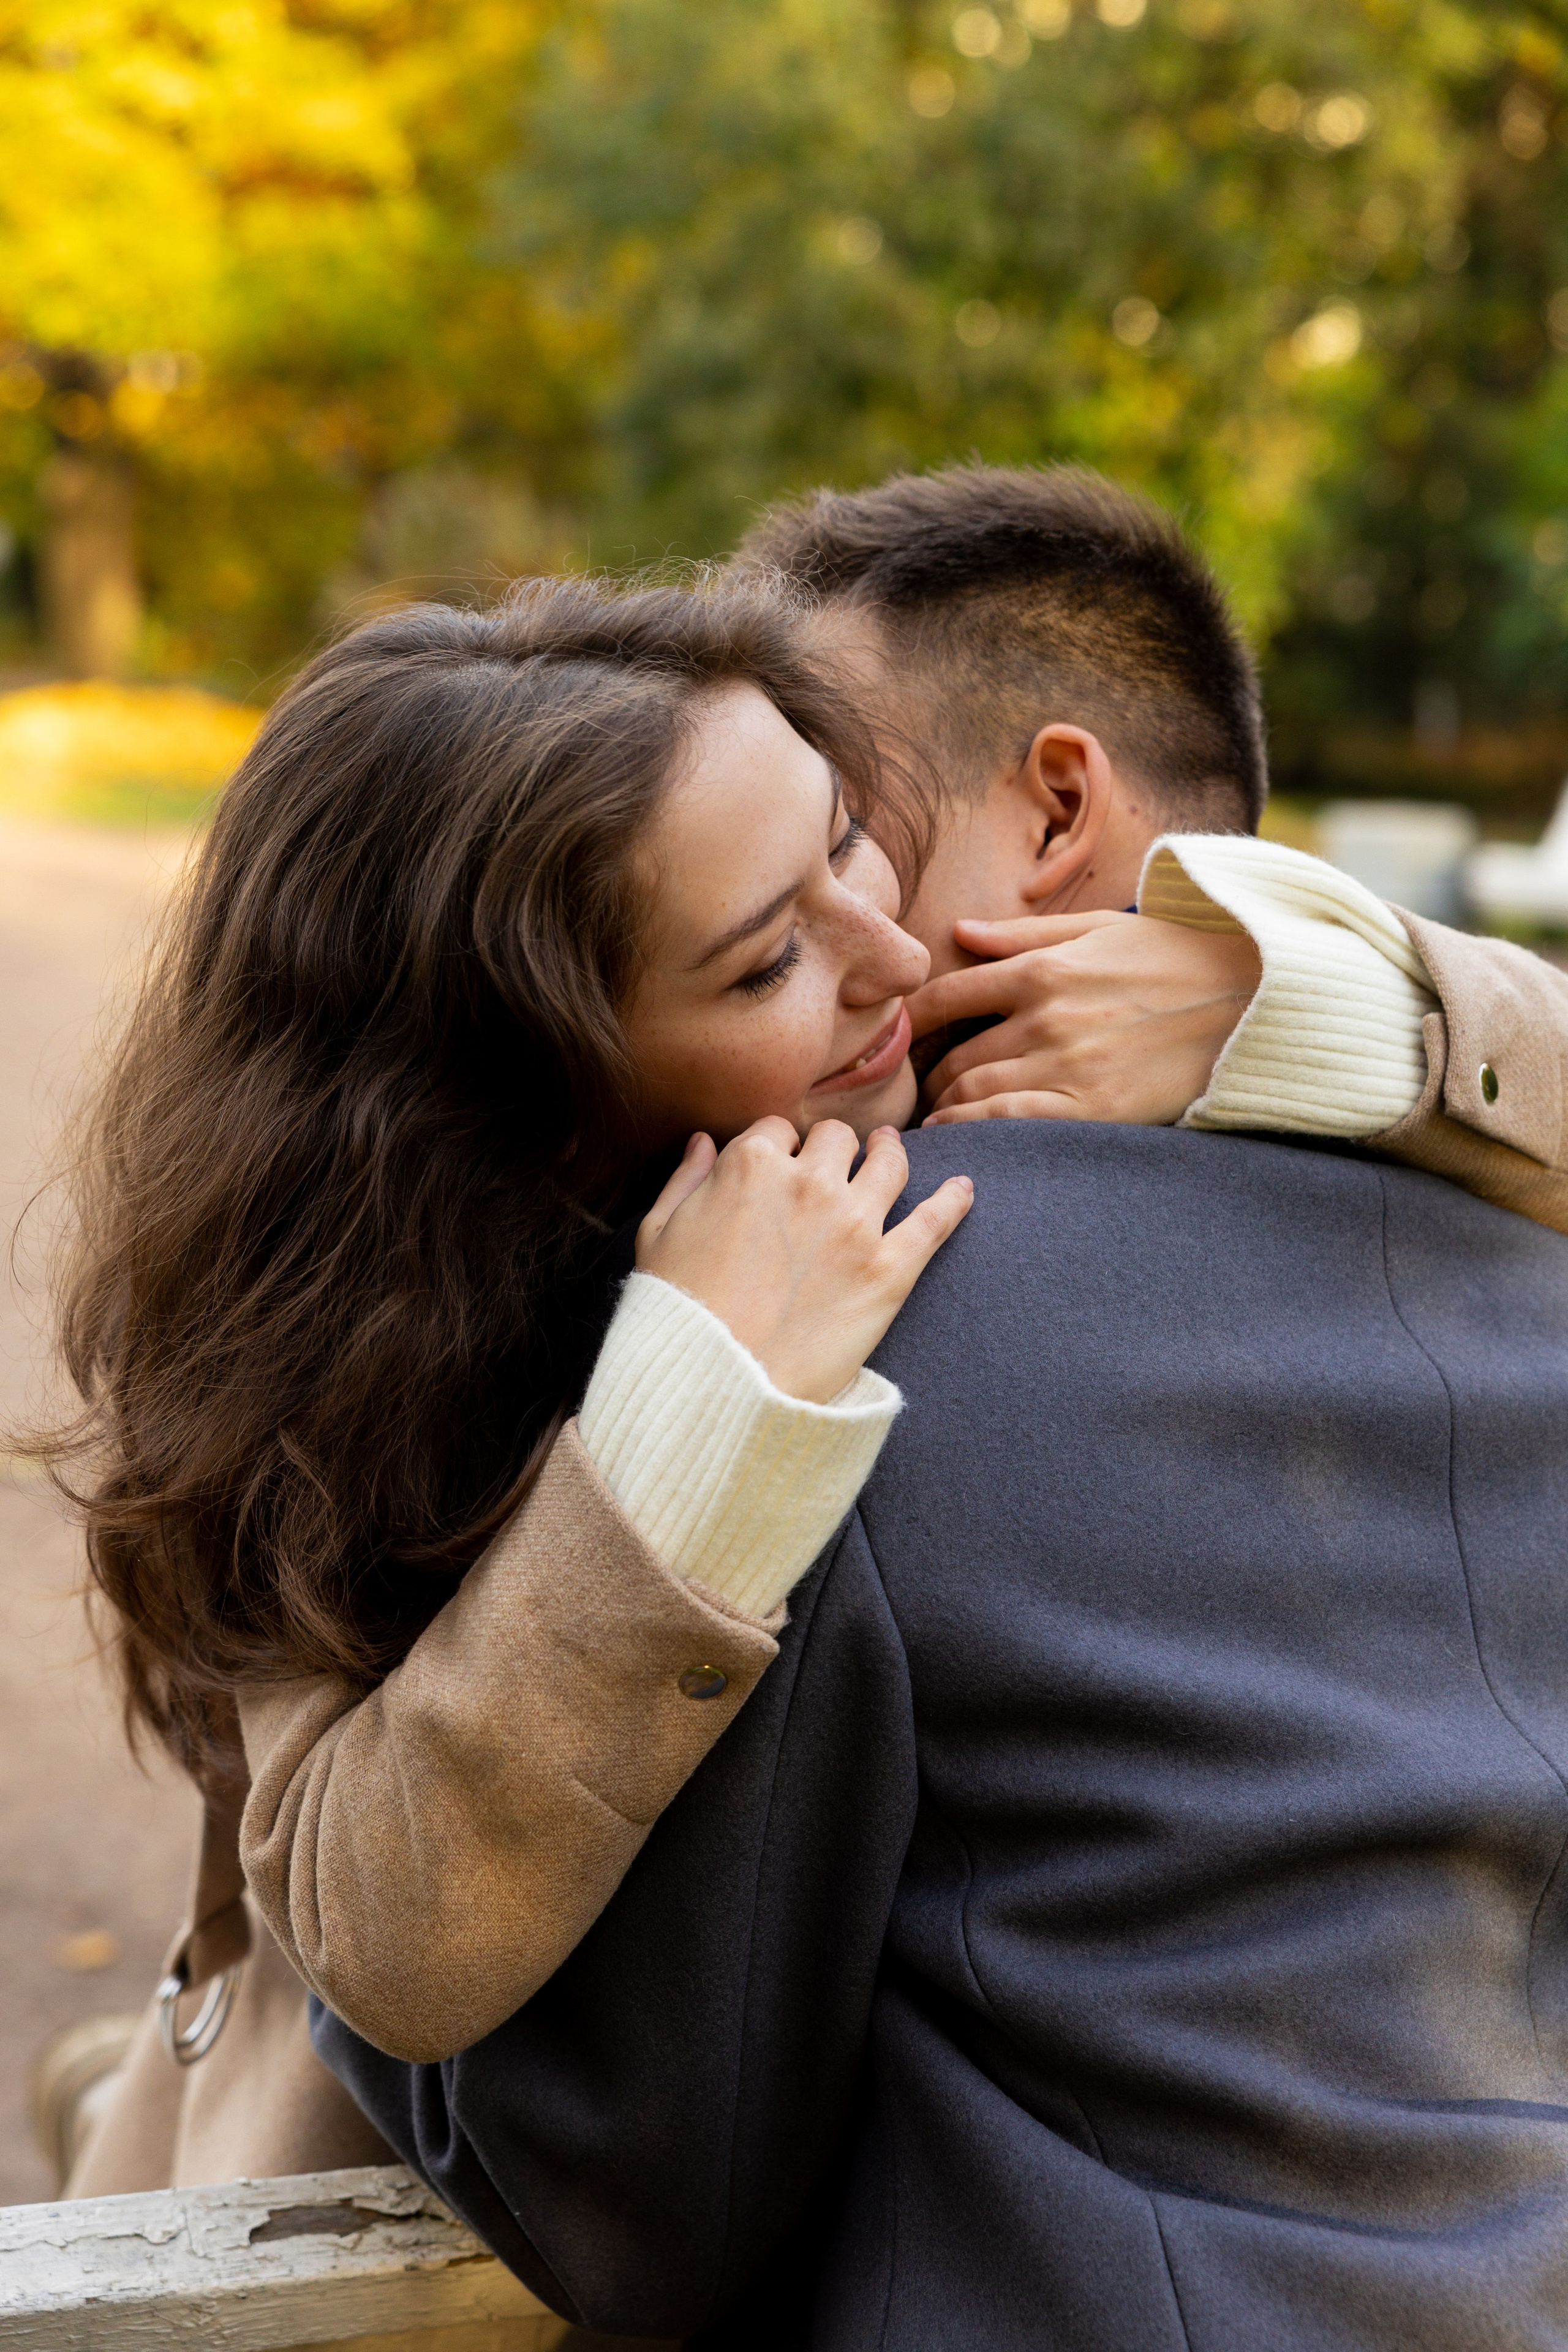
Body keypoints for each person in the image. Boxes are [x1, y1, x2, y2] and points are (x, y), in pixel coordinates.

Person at [307, 560, 1568, 2343]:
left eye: (855, 821)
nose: (882, 946)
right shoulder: (1530, 1260)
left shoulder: (843, 1332)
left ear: (1061, 803)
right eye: (769, 938)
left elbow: (631, 2191)